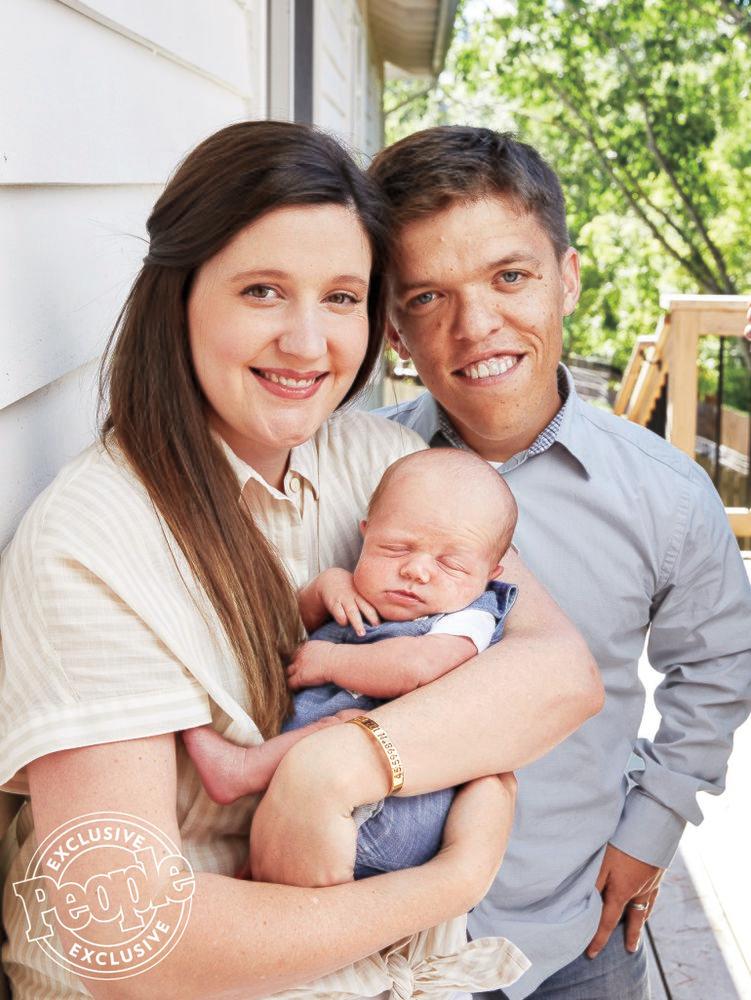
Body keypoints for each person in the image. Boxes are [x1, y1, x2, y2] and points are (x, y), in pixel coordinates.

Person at [0, 121, 603, 1000]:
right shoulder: (94, 539)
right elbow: (129, 935)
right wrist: (444, 885)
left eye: (341, 297)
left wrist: (343, 764)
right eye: (261, 290)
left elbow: (559, 674)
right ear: (179, 296)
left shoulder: (377, 464)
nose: (307, 342)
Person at [360, 125, 751, 1000]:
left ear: (566, 277)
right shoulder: (356, 472)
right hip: (373, 936)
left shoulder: (664, 494)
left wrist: (649, 829)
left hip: (569, 924)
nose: (476, 325)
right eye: (427, 297)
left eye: (510, 276)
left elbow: (718, 666)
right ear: (392, 327)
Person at [184, 447, 520, 882]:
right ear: (365, 533)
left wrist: (333, 662)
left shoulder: (469, 616)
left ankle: (243, 772)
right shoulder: (367, 593)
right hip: (308, 806)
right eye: (395, 547)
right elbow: (292, 635)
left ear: (490, 572)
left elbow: (414, 667)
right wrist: (326, 588)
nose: (417, 570)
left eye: (450, 564)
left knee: (347, 729)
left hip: (388, 810)